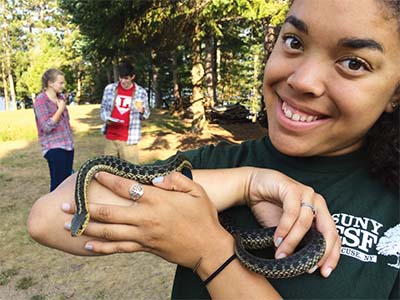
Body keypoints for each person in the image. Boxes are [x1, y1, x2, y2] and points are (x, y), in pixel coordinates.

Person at [27, 0, 399, 298]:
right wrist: (246, 182)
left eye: (354, 63)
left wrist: (211, 251)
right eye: (294, 42)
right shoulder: (219, 162)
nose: (302, 81)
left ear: (395, 92)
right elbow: (47, 219)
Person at [100, 60, 150, 163]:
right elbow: (103, 109)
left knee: (131, 172)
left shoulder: (141, 92)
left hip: (129, 140)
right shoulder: (110, 89)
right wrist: (106, 119)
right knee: (108, 171)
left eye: (126, 78)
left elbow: (146, 115)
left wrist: (142, 111)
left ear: (132, 77)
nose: (123, 81)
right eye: (121, 77)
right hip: (111, 137)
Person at [33, 68, 74, 192]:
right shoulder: (40, 101)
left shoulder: (61, 98)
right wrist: (60, 109)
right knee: (57, 185)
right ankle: (52, 210)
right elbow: (46, 127)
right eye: (60, 83)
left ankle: (65, 209)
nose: (63, 85)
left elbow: (66, 121)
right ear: (50, 83)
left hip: (68, 146)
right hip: (54, 148)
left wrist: (61, 106)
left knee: (67, 183)